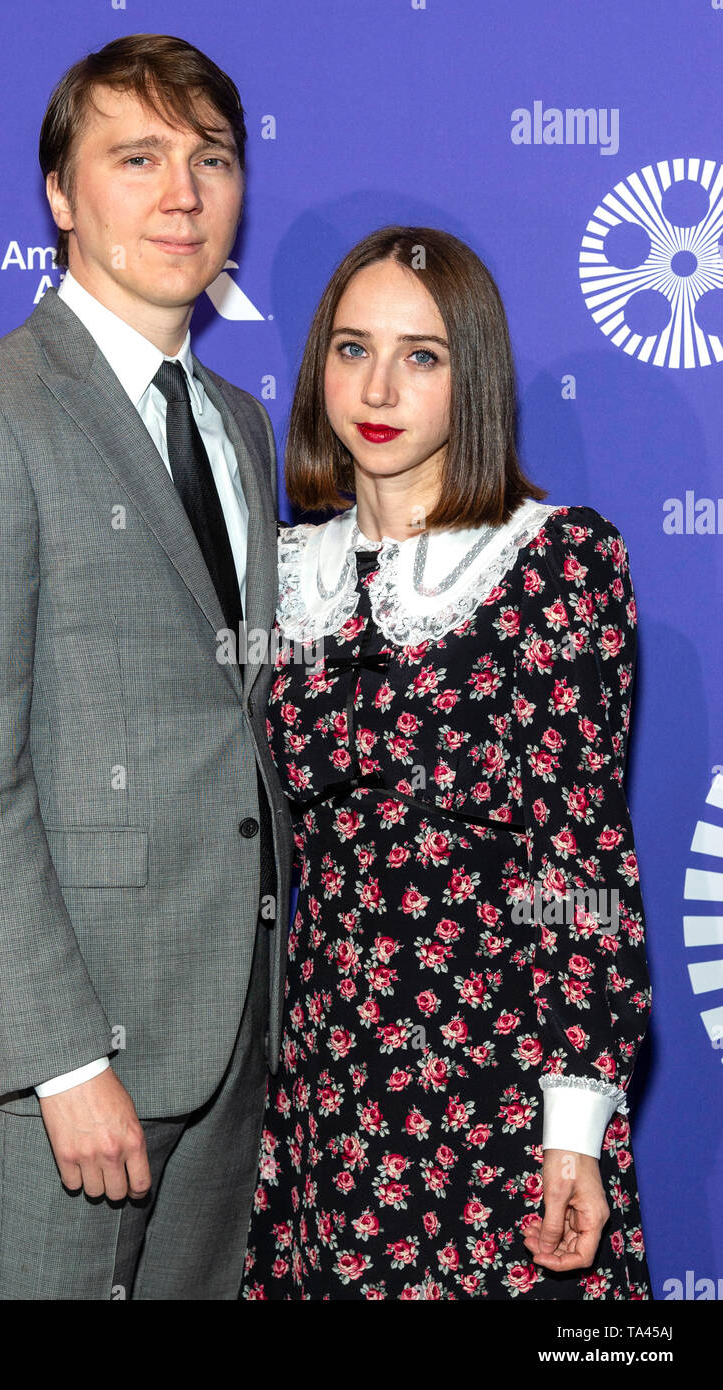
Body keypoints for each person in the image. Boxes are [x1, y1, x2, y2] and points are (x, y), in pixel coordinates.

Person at [0, 33, 292, 1300]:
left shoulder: (237, 422)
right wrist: (62, 1061)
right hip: (82, 1050)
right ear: (61, 196)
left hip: (242, 1030)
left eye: (210, 159)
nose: (183, 193)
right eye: (138, 157)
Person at [240, 225, 652, 1300]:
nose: (378, 385)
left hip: (498, 1090)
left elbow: (582, 871)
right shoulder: (277, 574)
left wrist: (576, 1129)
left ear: (472, 382)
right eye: (350, 348)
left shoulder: (555, 563)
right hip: (324, 1090)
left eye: (422, 356)